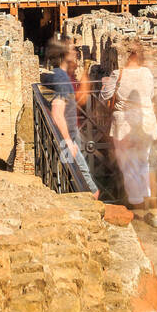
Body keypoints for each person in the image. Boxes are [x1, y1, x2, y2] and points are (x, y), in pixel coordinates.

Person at [108, 46, 157, 225]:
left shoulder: (118, 74)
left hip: (124, 125)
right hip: (146, 123)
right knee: (144, 164)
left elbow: (105, 95)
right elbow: (152, 94)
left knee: (128, 165)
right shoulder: (147, 73)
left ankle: (135, 207)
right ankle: (151, 210)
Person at [45, 37, 99, 198]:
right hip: (66, 140)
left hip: (69, 137)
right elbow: (57, 112)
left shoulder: (58, 75)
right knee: (92, 190)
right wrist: (68, 141)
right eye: (72, 49)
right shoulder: (61, 78)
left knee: (71, 181)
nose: (76, 52)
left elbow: (75, 101)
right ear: (63, 53)